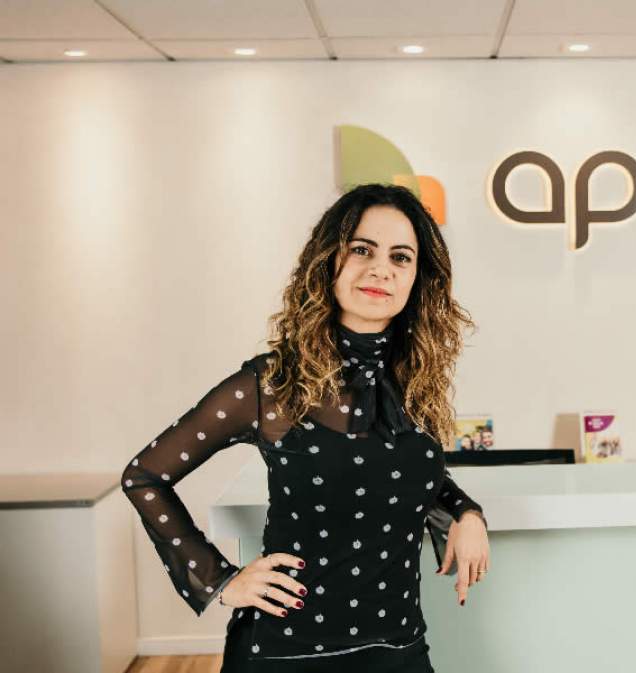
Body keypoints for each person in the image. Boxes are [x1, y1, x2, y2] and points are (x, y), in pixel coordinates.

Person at [121, 184, 491, 672]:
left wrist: (466, 513)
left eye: (400, 257)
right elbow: (144, 476)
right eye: (362, 250)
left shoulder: (415, 382)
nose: (381, 269)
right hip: (285, 652)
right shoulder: (270, 384)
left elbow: (403, 473)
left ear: (417, 279)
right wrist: (220, 579)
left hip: (398, 649)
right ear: (328, 261)